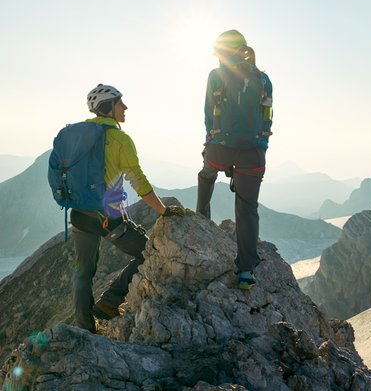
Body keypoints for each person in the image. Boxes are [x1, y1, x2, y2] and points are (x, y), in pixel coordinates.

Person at [71, 84, 185, 333]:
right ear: (109, 107)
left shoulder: (79, 137)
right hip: (107, 217)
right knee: (149, 253)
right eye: (120, 103)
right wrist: (163, 210)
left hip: (80, 215)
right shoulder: (120, 139)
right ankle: (109, 303)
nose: (125, 107)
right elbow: (139, 182)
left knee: (84, 272)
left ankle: (85, 328)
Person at [196, 29, 273, 290]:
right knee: (247, 208)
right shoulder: (263, 79)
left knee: (206, 176)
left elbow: (209, 114)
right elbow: (267, 117)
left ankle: (201, 220)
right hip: (253, 154)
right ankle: (246, 271)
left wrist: (212, 143)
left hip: (220, 149)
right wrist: (260, 146)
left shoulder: (216, 76)